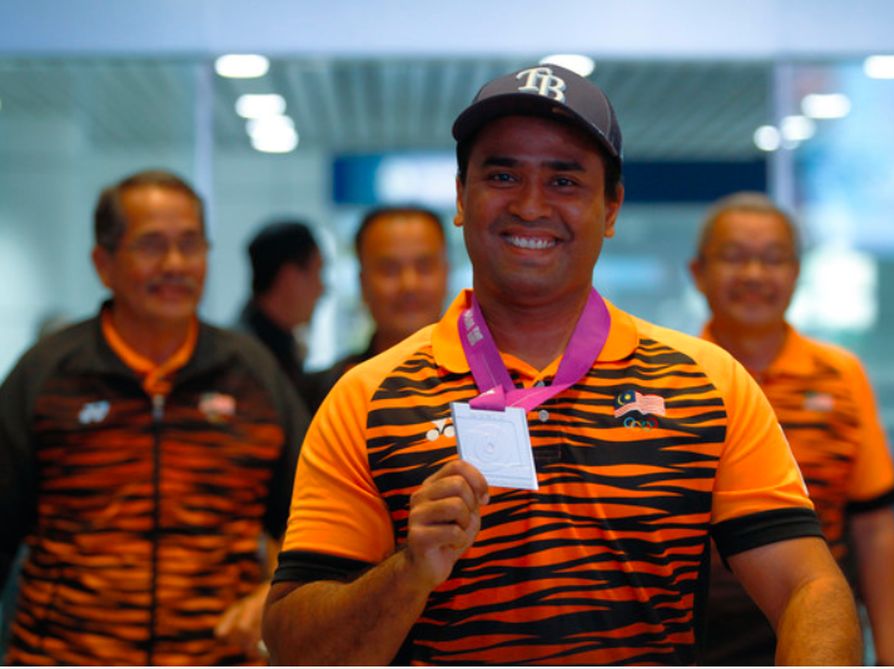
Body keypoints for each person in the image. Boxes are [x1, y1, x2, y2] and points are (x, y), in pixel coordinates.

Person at [262, 64, 862, 665]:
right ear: (461, 198)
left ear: (611, 208)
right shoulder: (367, 398)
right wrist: (409, 572)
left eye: (565, 181)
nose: (529, 206)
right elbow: (293, 647)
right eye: (502, 174)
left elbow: (809, 587)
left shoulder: (708, 384)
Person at [0, 169, 308, 665]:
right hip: (65, 654)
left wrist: (273, 592)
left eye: (191, 244)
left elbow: (312, 524)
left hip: (217, 656)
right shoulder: (48, 374)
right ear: (104, 263)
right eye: (151, 246)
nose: (175, 264)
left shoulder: (250, 374)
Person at [688, 191, 894, 665]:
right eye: (734, 258)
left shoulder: (842, 375)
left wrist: (889, 655)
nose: (754, 276)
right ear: (698, 273)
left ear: (797, 273)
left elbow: (875, 526)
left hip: (823, 633)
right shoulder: (669, 379)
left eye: (773, 259)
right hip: (696, 641)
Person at [307, 206, 448, 410]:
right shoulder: (326, 392)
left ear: (446, 274)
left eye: (424, 267)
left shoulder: (486, 382)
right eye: (389, 270)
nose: (409, 285)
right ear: (362, 282)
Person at [237, 220, 325, 406]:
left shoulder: (280, 345)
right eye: (317, 273)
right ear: (290, 277)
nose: (322, 289)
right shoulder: (247, 358)